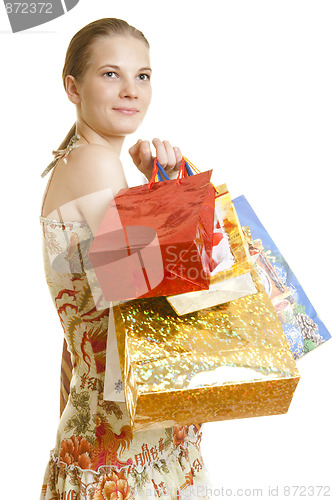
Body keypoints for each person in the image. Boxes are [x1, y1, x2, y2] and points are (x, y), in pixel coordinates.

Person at [39, 18, 211, 499]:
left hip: (118, 426)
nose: (130, 90)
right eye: (110, 74)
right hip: (122, 442)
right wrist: (170, 192)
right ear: (73, 87)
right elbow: (143, 294)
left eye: (143, 76)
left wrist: (153, 192)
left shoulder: (83, 161)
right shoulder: (94, 163)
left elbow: (86, 327)